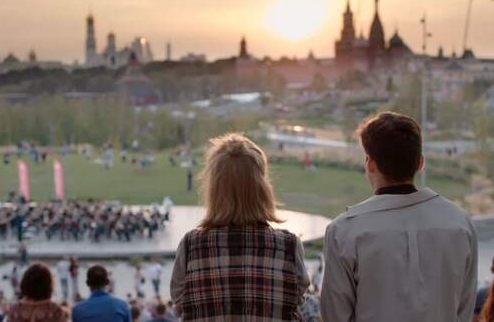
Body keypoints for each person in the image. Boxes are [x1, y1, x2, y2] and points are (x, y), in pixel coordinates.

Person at [321, 112, 478, 322]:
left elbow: (334, 316)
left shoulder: (345, 232)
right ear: (421, 162)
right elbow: (464, 310)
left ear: (370, 163)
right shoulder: (460, 224)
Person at [170, 133, 309, 321]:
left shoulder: (190, 246)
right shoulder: (289, 247)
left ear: (213, 189)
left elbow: (180, 305)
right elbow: (297, 300)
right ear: (262, 187)